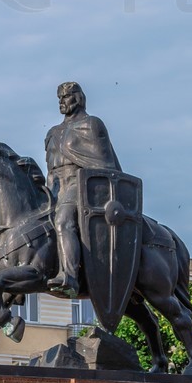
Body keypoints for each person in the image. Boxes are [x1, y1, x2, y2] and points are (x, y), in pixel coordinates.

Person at [44, 81, 121, 293]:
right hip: (55, 186)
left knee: (63, 220)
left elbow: (105, 166)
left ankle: (69, 276)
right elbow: (50, 169)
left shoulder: (91, 125)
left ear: (78, 98)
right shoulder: (53, 132)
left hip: (80, 185)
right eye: (59, 98)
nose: (62, 102)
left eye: (66, 97)